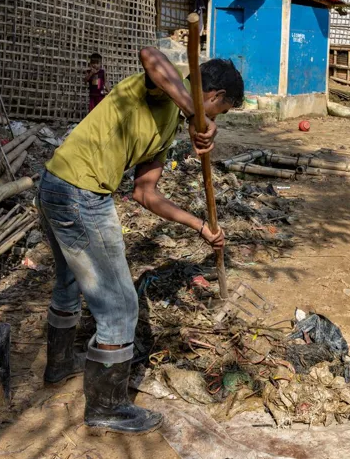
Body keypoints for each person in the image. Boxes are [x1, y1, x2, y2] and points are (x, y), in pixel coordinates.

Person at [37, 46, 243, 435]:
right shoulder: (161, 90)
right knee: (120, 306)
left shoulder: (168, 127)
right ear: (213, 98)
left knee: (68, 284)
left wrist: (201, 226)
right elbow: (150, 54)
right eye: (221, 112)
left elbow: (146, 193)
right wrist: (193, 112)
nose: (216, 121)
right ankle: (107, 407)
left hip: (58, 186)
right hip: (79, 194)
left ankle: (60, 364)